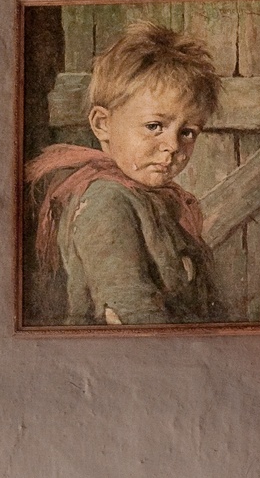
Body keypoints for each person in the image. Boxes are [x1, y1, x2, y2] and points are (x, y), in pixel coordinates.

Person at [27, 22, 226, 325]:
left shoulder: (155, 199)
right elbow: (131, 312)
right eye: (154, 126)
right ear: (102, 124)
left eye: (187, 132)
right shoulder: (107, 202)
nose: (172, 146)